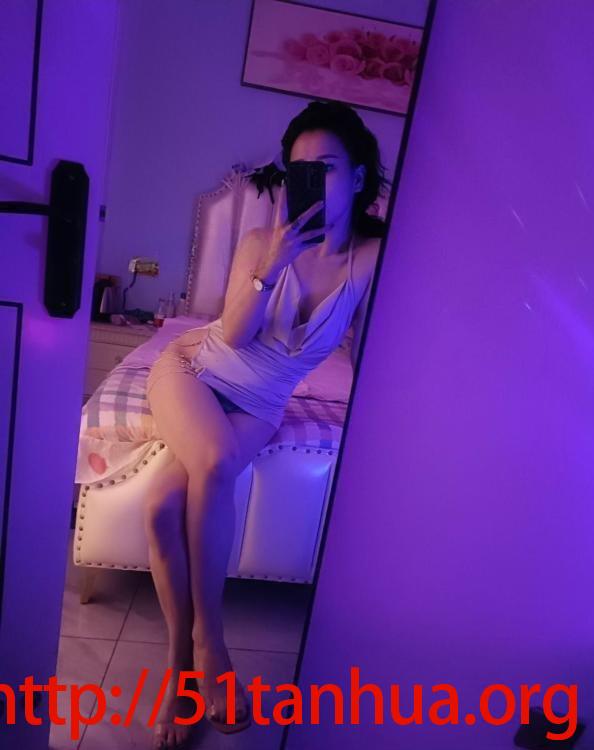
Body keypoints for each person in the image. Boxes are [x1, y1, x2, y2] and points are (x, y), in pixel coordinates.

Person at [144, 99, 388, 749]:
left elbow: (379, 349)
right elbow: (230, 334)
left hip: (261, 402)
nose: (314, 181)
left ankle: (181, 674)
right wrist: (270, 266)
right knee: (216, 462)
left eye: (327, 167)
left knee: (161, 510)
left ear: (358, 176)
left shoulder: (372, 259)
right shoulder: (258, 242)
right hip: (195, 371)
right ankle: (207, 649)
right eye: (301, 169)